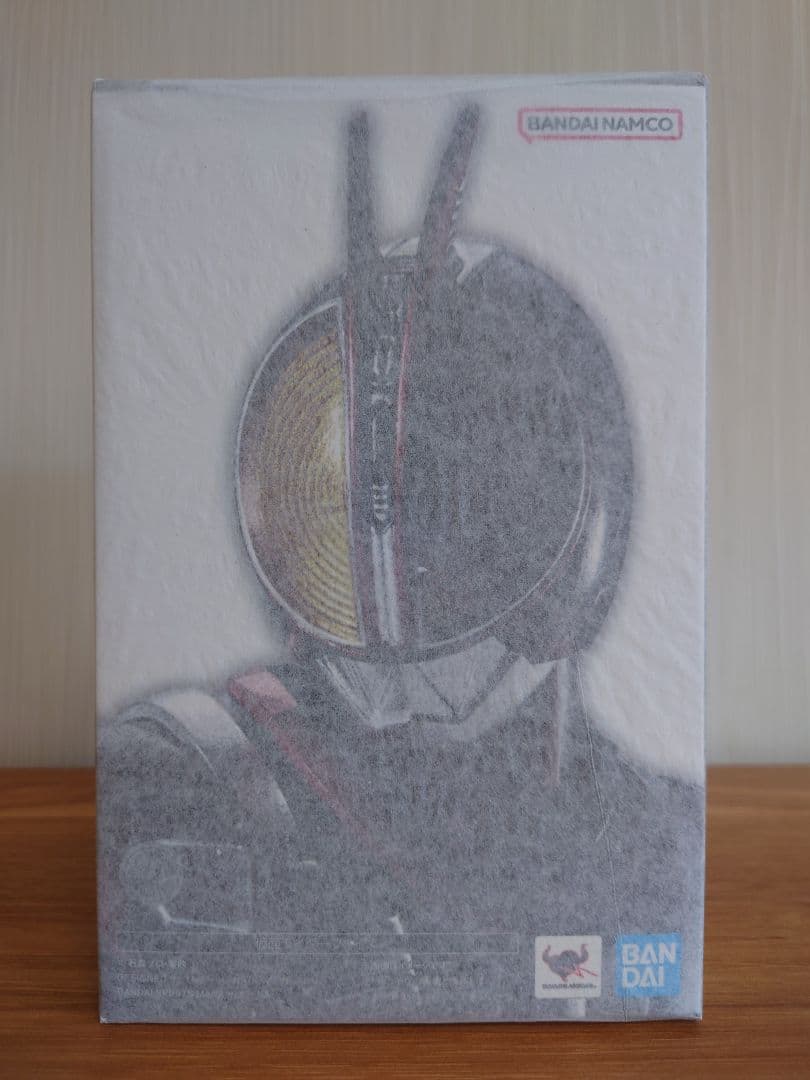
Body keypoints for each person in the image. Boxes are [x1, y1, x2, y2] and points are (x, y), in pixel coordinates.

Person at [97, 104, 703, 1022]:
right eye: (356, 495)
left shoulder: (658, 849)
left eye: (465, 501)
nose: (397, 545)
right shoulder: (185, 786)